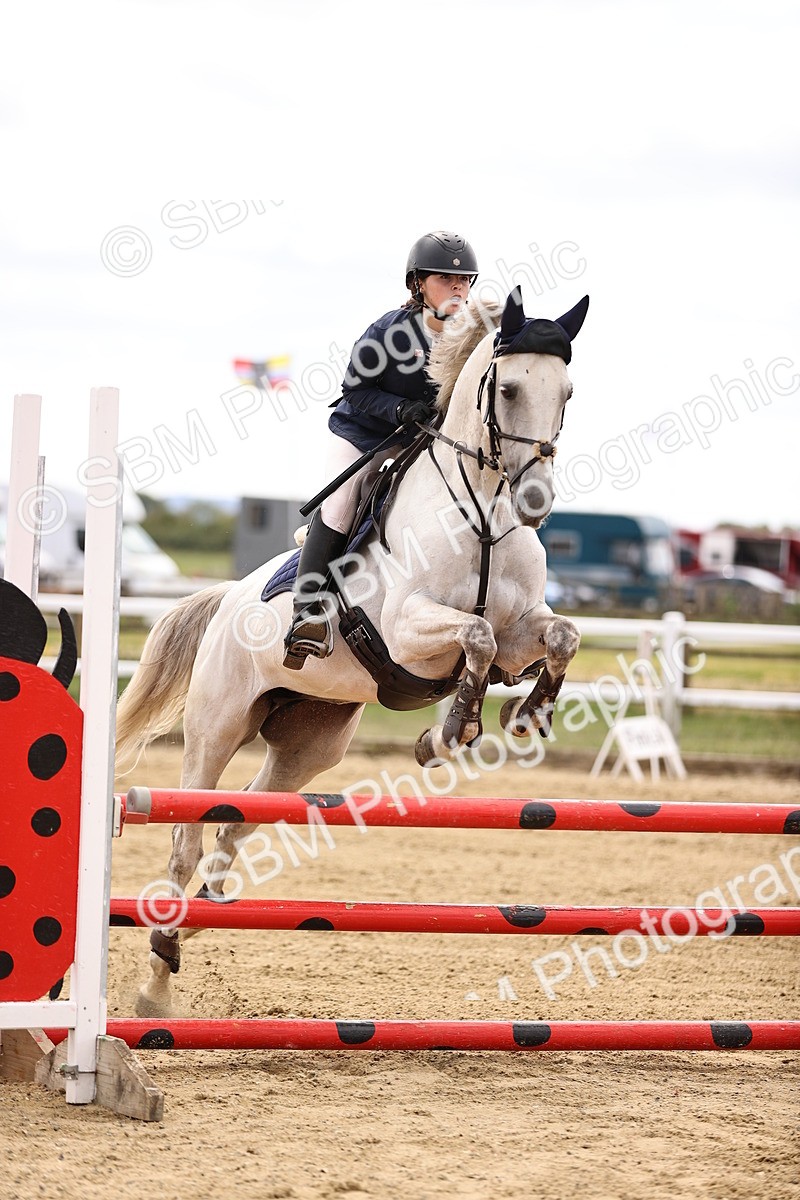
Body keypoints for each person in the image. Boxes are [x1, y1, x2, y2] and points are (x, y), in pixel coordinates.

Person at [283, 230, 480, 669]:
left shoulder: (471, 336)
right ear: (418, 285)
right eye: (446, 279)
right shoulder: (390, 331)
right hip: (364, 435)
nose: (458, 288)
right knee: (339, 506)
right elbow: (354, 389)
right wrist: (398, 409)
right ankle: (307, 615)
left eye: (465, 280)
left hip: (424, 444)